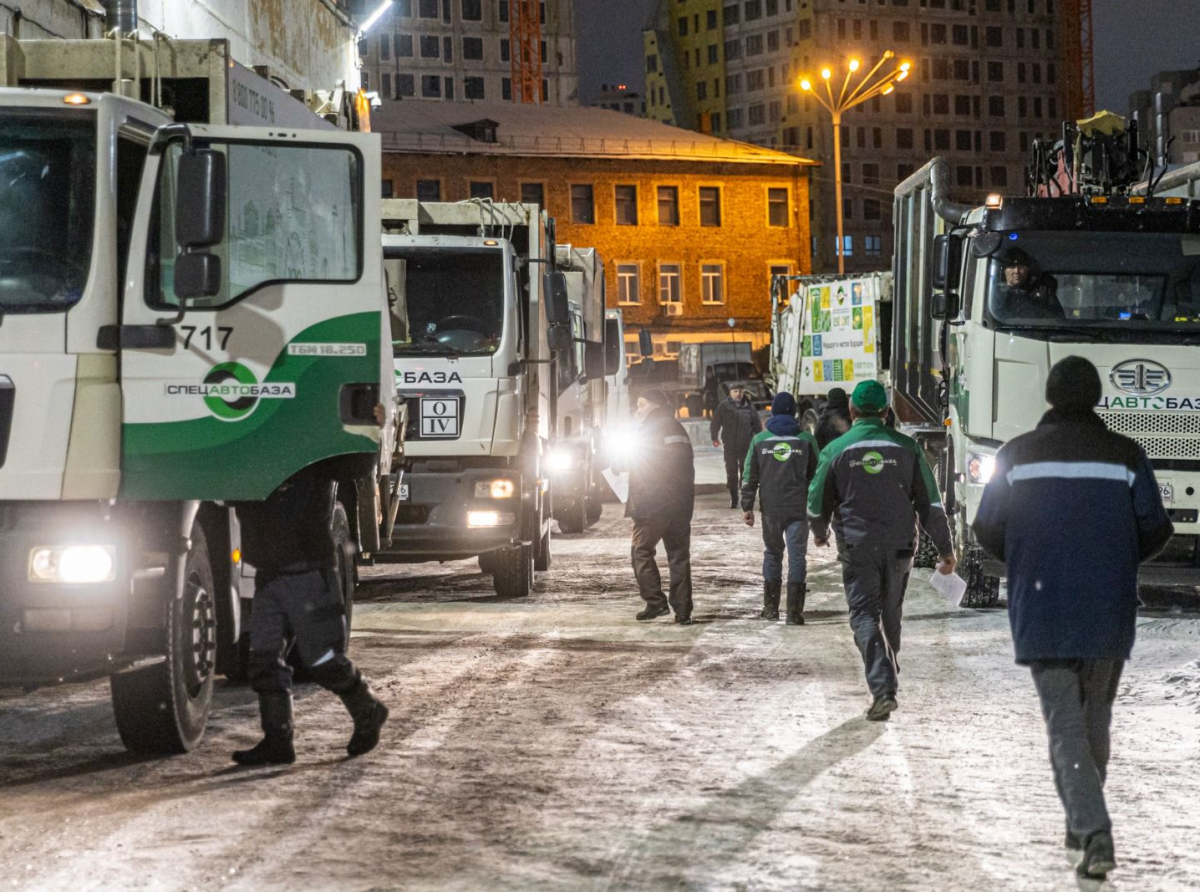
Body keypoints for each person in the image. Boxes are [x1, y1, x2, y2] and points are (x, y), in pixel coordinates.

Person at [972, 356, 1172, 881]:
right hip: (1108, 606)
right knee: (1094, 720)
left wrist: (1026, 557)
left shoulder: (1015, 456)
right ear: (1097, 397)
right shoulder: (1126, 455)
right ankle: (1082, 818)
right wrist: (1119, 558)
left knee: (1065, 725)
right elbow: (1157, 527)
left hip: (1043, 603)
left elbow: (986, 527)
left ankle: (1092, 828)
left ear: (1050, 396)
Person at [807, 380, 955, 721]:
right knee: (891, 616)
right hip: (901, 546)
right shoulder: (909, 447)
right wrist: (945, 548)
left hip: (858, 546)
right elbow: (930, 503)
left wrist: (819, 532)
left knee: (863, 616)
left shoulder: (837, 449)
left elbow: (816, 505)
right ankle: (888, 677)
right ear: (886, 412)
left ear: (853, 411)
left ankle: (883, 686)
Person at [231, 466, 389, 765]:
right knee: (264, 660)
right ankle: (278, 739)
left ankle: (367, 710)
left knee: (324, 660)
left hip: (308, 571)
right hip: (269, 573)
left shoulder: (312, 454)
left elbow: (359, 460)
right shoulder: (257, 444)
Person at [614, 389, 696, 624]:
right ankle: (683, 612)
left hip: (652, 505)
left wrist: (617, 463)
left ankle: (655, 603)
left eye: (641, 405)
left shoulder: (649, 430)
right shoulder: (678, 428)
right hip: (680, 504)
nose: (638, 410)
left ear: (655, 406)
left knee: (641, 551)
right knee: (679, 556)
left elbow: (636, 459)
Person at [741, 391, 819, 624]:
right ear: (795, 413)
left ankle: (771, 608)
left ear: (772, 412)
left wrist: (747, 506)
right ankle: (794, 613)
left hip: (771, 510)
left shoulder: (759, 440)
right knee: (797, 557)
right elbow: (816, 476)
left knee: (773, 554)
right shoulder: (806, 440)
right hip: (799, 509)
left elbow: (749, 476)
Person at [711, 383, 763, 509]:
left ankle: (745, 498)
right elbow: (715, 422)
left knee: (746, 472)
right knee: (731, 472)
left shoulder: (750, 407)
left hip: (746, 445)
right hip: (729, 445)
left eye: (740, 391)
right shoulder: (724, 406)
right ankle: (734, 499)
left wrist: (760, 441)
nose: (738, 394)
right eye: (735, 391)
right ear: (730, 393)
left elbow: (757, 425)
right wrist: (714, 438)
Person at [993, 245, 1064, 320]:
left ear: (1027, 269)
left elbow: (1058, 318)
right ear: (1004, 270)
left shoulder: (1043, 291)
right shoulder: (995, 293)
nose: (1016, 271)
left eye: (1021, 267)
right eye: (1012, 267)